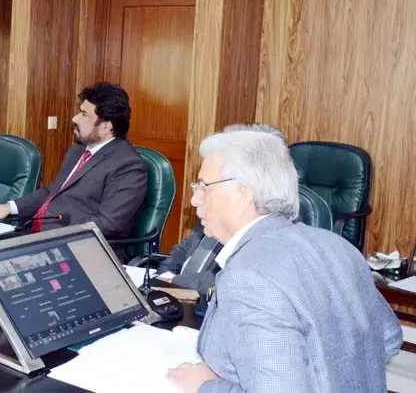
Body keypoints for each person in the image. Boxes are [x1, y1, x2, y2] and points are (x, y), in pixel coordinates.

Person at [166, 128, 401, 393]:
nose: (194, 199)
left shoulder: (249, 275)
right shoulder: (338, 246)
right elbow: (389, 339)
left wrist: (206, 385)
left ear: (242, 195)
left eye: (203, 186)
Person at [0, 82, 147, 240]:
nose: (75, 119)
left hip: (78, 247)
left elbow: (107, 224)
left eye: (84, 114)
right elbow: (53, 191)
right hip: (37, 235)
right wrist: (9, 207)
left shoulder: (128, 166)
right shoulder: (79, 149)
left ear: (105, 127)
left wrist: (51, 238)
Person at [157, 123, 287, 297]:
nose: (195, 200)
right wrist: (163, 276)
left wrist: (176, 281)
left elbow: (225, 284)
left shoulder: (278, 221)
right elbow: (186, 247)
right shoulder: (218, 199)